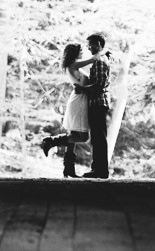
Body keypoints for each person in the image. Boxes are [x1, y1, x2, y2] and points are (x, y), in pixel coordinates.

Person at [40, 42, 107, 177]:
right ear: (75, 53)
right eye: (81, 50)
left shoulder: (73, 65)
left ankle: (69, 169)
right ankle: (51, 141)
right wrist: (104, 51)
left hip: (79, 99)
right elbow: (93, 59)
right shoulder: (73, 64)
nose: (84, 51)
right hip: (80, 101)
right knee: (82, 137)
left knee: (73, 135)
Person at [74, 33, 112, 179]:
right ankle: (97, 168)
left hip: (99, 102)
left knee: (99, 137)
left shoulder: (100, 61)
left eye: (91, 44)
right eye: (88, 45)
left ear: (99, 44)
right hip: (95, 102)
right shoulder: (98, 60)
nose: (89, 47)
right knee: (96, 137)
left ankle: (101, 170)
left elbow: (99, 85)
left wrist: (83, 89)